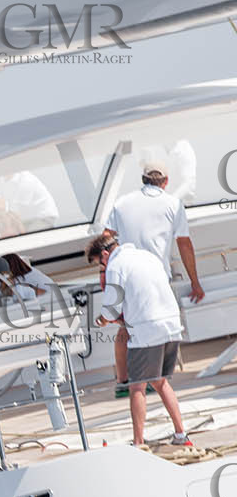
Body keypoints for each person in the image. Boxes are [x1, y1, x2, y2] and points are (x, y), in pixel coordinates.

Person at [103, 156, 203, 395]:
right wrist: (195, 282)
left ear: (143, 179)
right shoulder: (173, 204)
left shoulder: (122, 202)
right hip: (156, 276)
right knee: (158, 327)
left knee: (126, 327)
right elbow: (184, 244)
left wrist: (106, 272)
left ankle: (123, 382)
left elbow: (105, 237)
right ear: (166, 181)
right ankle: (153, 379)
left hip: (126, 273)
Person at [87, 234, 192, 447]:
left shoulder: (116, 266)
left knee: (136, 387)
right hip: (171, 324)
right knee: (160, 382)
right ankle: (181, 435)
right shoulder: (147, 256)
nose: (103, 268)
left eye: (101, 263)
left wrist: (101, 320)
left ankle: (138, 443)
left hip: (147, 330)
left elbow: (111, 309)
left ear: (105, 254)